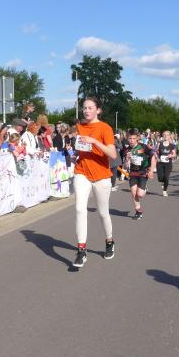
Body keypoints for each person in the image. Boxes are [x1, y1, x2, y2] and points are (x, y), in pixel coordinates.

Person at [72, 96, 117, 267]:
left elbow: (112, 154)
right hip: (82, 172)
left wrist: (94, 141)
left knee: (103, 213)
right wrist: (75, 153)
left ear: (98, 110)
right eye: (84, 108)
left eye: (90, 108)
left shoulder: (105, 128)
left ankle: (109, 241)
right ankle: (81, 250)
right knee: (79, 209)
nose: (86, 110)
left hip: (101, 175)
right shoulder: (80, 126)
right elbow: (81, 148)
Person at [124, 128, 154, 219]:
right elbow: (125, 166)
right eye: (130, 138)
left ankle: (144, 188)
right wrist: (127, 159)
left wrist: (151, 170)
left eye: (133, 138)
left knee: (140, 194)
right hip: (133, 173)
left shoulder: (143, 147)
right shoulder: (127, 150)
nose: (132, 140)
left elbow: (153, 157)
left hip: (143, 172)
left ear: (137, 138)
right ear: (127, 138)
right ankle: (138, 211)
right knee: (134, 192)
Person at [155, 130, 176, 196]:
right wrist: (157, 158)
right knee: (160, 178)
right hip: (160, 163)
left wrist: (171, 155)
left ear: (169, 136)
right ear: (163, 136)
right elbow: (155, 151)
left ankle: (164, 191)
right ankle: (162, 182)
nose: (166, 136)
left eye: (167, 135)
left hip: (168, 163)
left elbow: (174, 154)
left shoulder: (172, 145)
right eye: (164, 135)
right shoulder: (159, 144)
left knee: (166, 177)